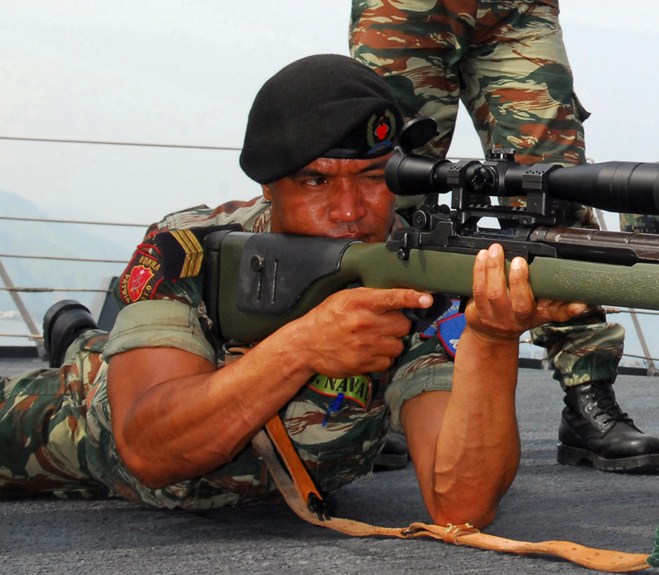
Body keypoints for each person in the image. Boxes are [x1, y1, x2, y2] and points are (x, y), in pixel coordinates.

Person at [0, 54, 595, 527]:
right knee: (72, 379)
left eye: (373, 178)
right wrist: (303, 346)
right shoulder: (192, 250)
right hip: (73, 427)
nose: (349, 209)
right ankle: (79, 337)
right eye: (314, 181)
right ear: (269, 186)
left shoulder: (417, 272)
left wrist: (491, 338)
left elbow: (461, 506)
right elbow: (149, 450)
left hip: (272, 480)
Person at [349, 0, 659, 472]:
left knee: (556, 192)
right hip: (406, 7)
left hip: (516, 8)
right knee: (389, 191)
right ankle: (377, 394)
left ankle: (588, 397)